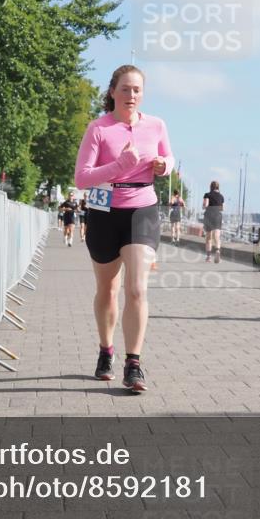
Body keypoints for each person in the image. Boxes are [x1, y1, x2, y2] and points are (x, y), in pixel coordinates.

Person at [74, 64, 174, 393]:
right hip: (104, 211)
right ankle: (106, 351)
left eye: (137, 90)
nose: (132, 95)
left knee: (137, 289)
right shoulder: (98, 129)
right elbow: (82, 178)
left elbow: (169, 158)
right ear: (113, 91)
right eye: (125, 89)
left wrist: (164, 166)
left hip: (142, 209)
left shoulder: (157, 125)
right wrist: (119, 165)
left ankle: (134, 363)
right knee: (108, 290)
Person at [202, 182, 224, 262]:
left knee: (209, 237)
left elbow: (206, 205)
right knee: (217, 235)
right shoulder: (221, 196)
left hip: (209, 215)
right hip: (218, 215)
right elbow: (222, 208)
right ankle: (217, 250)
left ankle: (208, 257)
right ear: (218, 187)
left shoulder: (207, 195)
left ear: (211, 187)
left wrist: (203, 206)